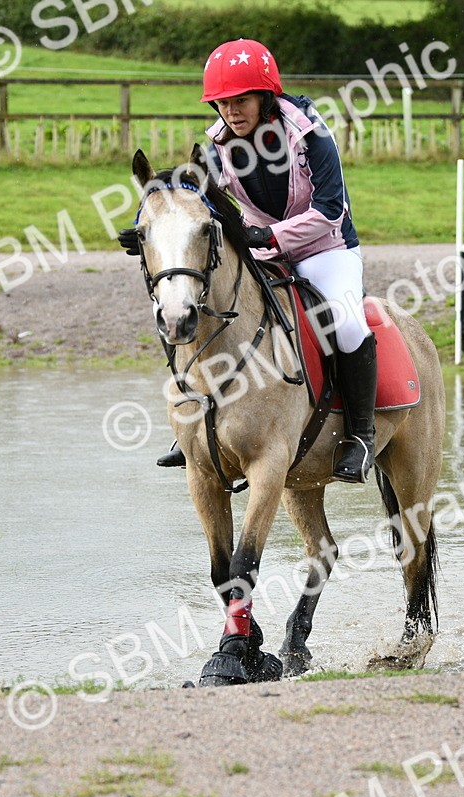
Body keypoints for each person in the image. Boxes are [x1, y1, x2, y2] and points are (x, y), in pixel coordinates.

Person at [120, 38, 377, 484]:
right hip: (263, 252)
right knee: (191, 304)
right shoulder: (217, 144)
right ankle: (193, 425)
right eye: (222, 103)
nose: (231, 111)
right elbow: (196, 202)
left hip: (326, 249)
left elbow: (330, 210)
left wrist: (270, 234)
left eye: (241, 100)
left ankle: (360, 435)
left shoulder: (309, 132)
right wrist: (151, 229)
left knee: (348, 321)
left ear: (266, 96)